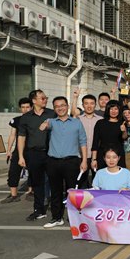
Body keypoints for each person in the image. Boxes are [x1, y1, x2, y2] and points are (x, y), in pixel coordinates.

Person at [40, 96, 87, 228]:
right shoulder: (51, 122)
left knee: (72, 192)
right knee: (55, 191)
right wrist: (44, 126)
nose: (60, 108)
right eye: (57, 106)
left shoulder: (77, 123)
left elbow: (83, 141)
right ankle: (56, 217)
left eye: (62, 105)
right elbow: (45, 125)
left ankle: (75, 219)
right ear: (54, 109)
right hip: (53, 162)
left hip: (71, 161)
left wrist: (84, 160)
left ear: (67, 106)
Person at [18, 89, 57, 221]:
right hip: (34, 154)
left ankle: (56, 209)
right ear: (34, 101)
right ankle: (39, 210)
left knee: (54, 181)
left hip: (51, 153)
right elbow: (21, 137)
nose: (45, 100)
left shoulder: (52, 113)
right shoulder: (26, 117)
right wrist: (21, 156)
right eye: (42, 98)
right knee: (37, 183)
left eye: (46, 98)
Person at [1, 97, 32, 204]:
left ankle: (31, 193)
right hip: (18, 151)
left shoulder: (35, 120)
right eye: (23, 107)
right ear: (20, 108)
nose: (25, 109)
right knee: (13, 172)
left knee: (33, 172)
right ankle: (13, 195)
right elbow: (12, 135)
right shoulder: (16, 120)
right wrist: (8, 150)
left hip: (32, 150)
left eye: (27, 107)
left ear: (31, 107)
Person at [71, 88, 103, 189]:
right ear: (83, 105)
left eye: (92, 103)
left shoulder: (101, 120)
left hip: (96, 155)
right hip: (80, 155)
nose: (89, 106)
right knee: (82, 181)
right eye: (86, 103)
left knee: (97, 182)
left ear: (95, 105)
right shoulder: (78, 118)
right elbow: (73, 113)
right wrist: (75, 97)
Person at [91, 100, 127, 170]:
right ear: (107, 110)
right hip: (103, 155)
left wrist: (124, 130)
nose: (113, 111)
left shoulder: (122, 123)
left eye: (116, 109)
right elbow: (95, 142)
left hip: (117, 156)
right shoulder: (100, 123)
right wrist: (93, 159)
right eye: (111, 109)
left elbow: (124, 137)